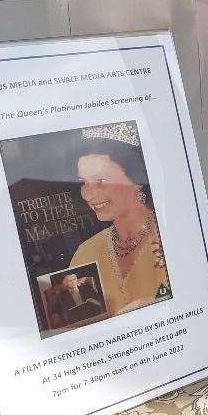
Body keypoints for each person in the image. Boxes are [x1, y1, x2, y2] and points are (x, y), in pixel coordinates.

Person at [70, 122, 171, 315]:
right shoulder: (85, 253)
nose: (89, 194)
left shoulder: (173, 234)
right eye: (83, 182)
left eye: (101, 181)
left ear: (137, 179)